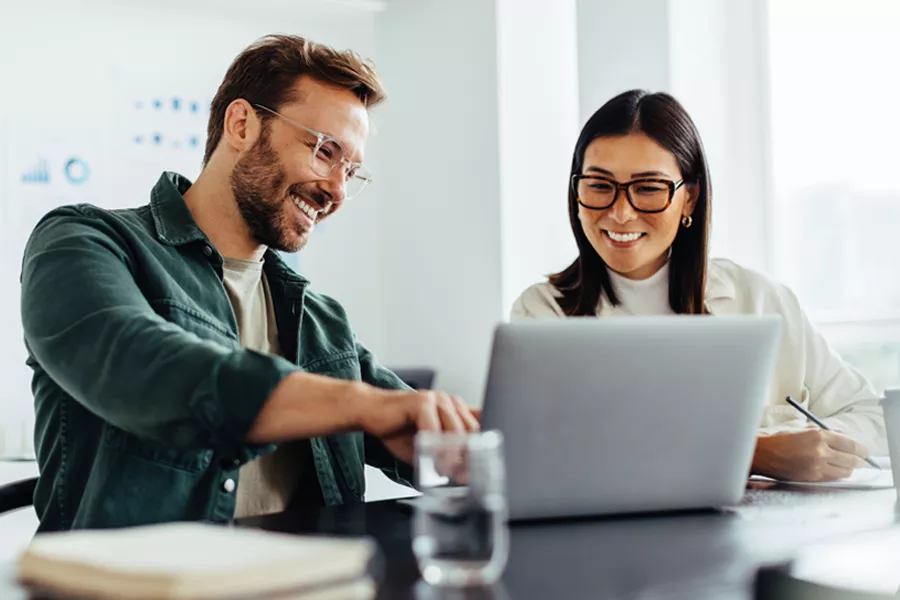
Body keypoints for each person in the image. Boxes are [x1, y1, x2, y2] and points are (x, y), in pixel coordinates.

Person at [21, 35, 478, 532]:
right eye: (325, 151)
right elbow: (142, 364)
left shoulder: (321, 320)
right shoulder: (84, 241)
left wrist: (468, 441)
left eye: (352, 170)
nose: (337, 190)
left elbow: (409, 422)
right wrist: (362, 405)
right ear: (241, 124)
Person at [511, 90, 886, 483]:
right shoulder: (542, 314)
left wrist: (811, 447)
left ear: (689, 198)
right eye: (600, 186)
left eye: (649, 188)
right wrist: (755, 453)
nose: (620, 212)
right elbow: (550, 452)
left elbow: (872, 418)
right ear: (576, 191)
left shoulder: (759, 299)